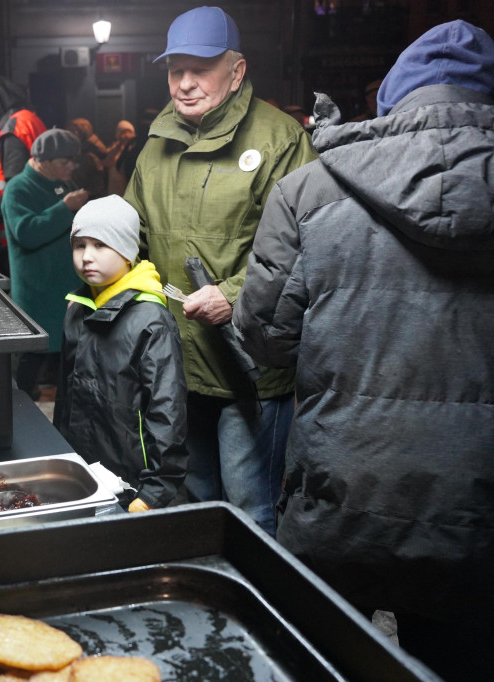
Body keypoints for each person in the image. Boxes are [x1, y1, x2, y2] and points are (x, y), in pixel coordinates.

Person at [232, 20, 494, 680]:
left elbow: (265, 339)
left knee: (326, 663)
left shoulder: (310, 190)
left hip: (339, 502)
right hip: (478, 523)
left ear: (391, 99)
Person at [123, 6, 317, 535]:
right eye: (174, 70)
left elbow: (306, 244)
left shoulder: (281, 140)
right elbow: (134, 233)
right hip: (174, 361)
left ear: (236, 71)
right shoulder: (156, 144)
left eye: (199, 69)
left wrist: (233, 292)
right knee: (194, 498)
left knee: (251, 507)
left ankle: (263, 614)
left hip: (247, 361)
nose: (184, 84)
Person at [54, 196, 187, 511]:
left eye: (101, 245)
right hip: (82, 473)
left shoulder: (151, 320)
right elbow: (65, 397)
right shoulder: (78, 309)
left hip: (133, 483)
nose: (87, 256)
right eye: (79, 245)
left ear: (127, 251)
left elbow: (167, 412)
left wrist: (155, 491)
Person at [2, 129, 89, 399]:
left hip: (69, 287)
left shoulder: (66, 185)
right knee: (33, 352)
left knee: (68, 354)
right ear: (42, 160)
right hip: (37, 290)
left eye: (73, 161)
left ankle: (66, 413)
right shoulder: (18, 188)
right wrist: (64, 208)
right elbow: (26, 233)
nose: (72, 167)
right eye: (65, 162)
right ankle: (18, 409)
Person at [0, 74, 48, 273]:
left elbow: (14, 185)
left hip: (23, 226)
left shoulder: (13, 129)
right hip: (39, 219)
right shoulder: (30, 119)